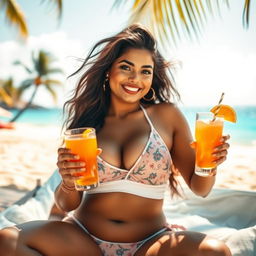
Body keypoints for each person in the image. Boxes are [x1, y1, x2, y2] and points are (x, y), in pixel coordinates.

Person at [0, 24, 232, 256]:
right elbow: (66, 203)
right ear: (108, 70)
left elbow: (200, 189)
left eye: (145, 71)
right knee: (7, 240)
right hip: (82, 238)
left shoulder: (166, 116)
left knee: (216, 251)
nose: (135, 79)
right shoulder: (87, 123)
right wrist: (68, 181)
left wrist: (209, 164)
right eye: (126, 67)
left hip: (149, 243)